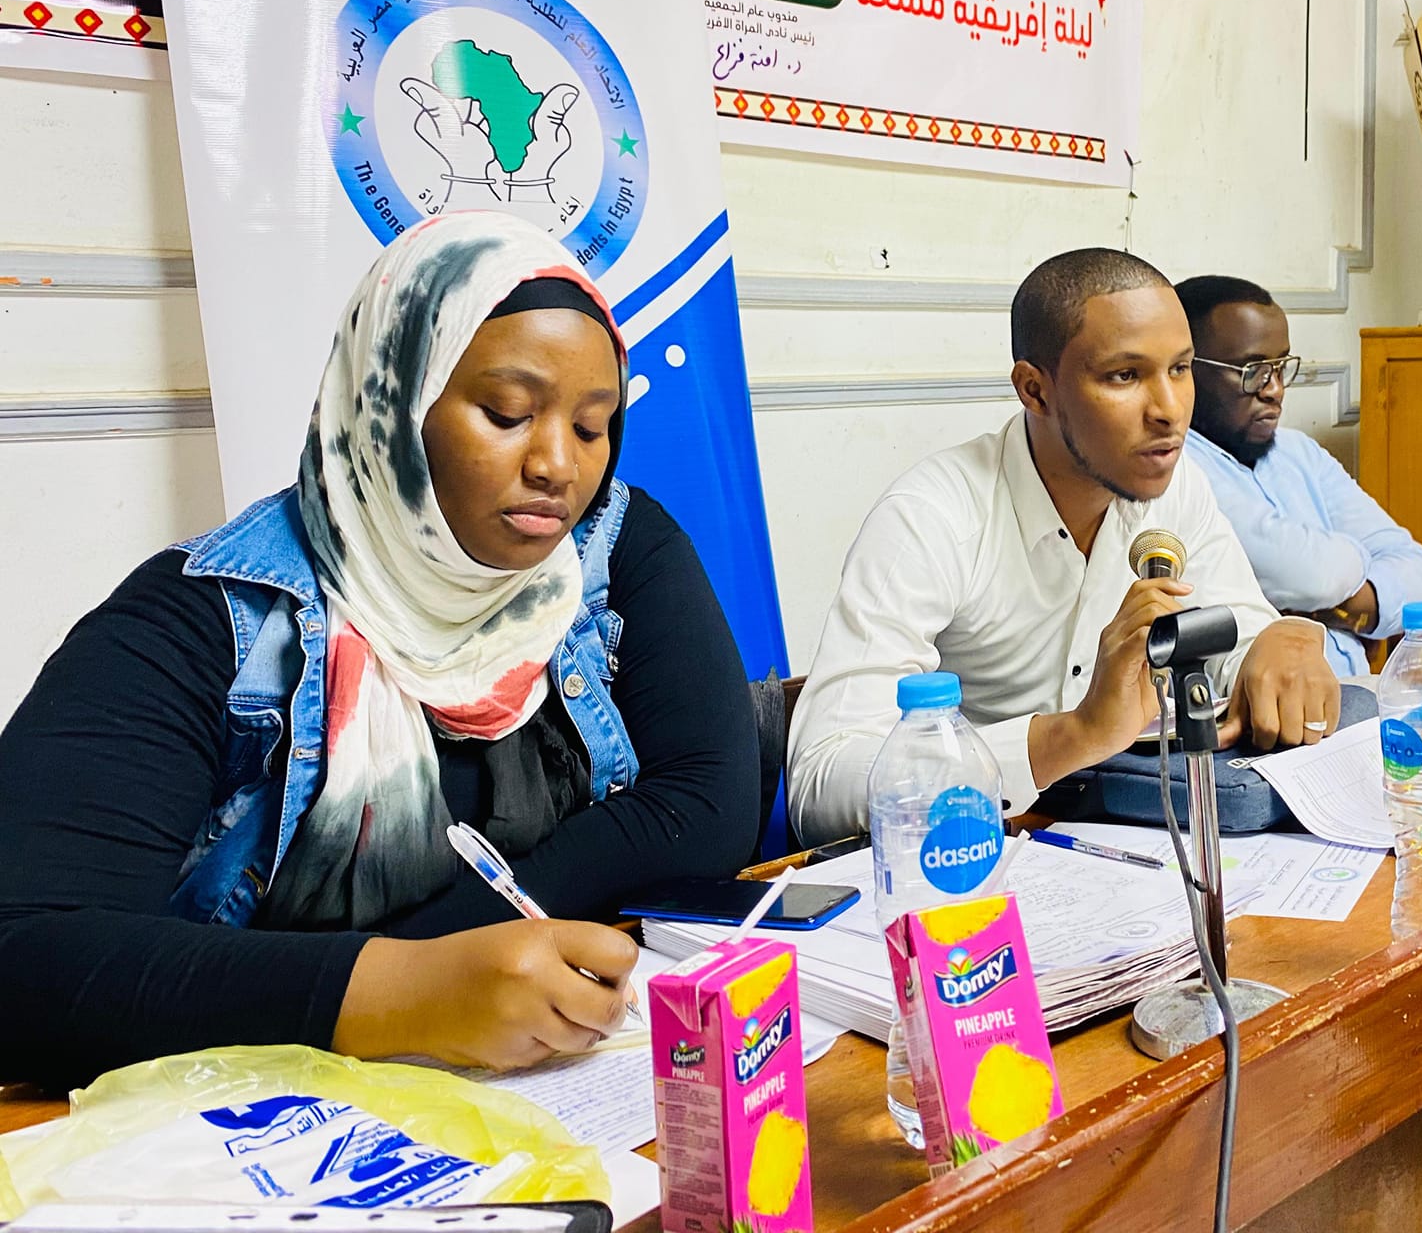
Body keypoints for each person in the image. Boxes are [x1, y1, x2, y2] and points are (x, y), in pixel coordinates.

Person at [0, 213, 760, 1086]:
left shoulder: (608, 548)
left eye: (593, 427)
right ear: (391, 403)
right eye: (508, 413)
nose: (559, 465)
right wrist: (403, 989)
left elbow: (707, 807)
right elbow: (24, 956)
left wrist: (463, 952)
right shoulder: (202, 620)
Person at [787, 248, 1339, 846]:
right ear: (1035, 389)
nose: (1169, 411)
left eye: (1180, 369)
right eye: (1124, 376)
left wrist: (1281, 640)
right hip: (975, 859)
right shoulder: (932, 517)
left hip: (1137, 840)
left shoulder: (1177, 486)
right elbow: (820, 784)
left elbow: (1244, 636)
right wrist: (1072, 735)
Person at [1176, 275, 1422, 678]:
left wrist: (1325, 609)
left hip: (1359, 693)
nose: (1275, 390)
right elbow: (1313, 575)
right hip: (1265, 711)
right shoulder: (1175, 469)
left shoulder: (1298, 451)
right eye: (1253, 370)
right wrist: (1357, 567)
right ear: (1184, 370)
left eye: (1281, 367)